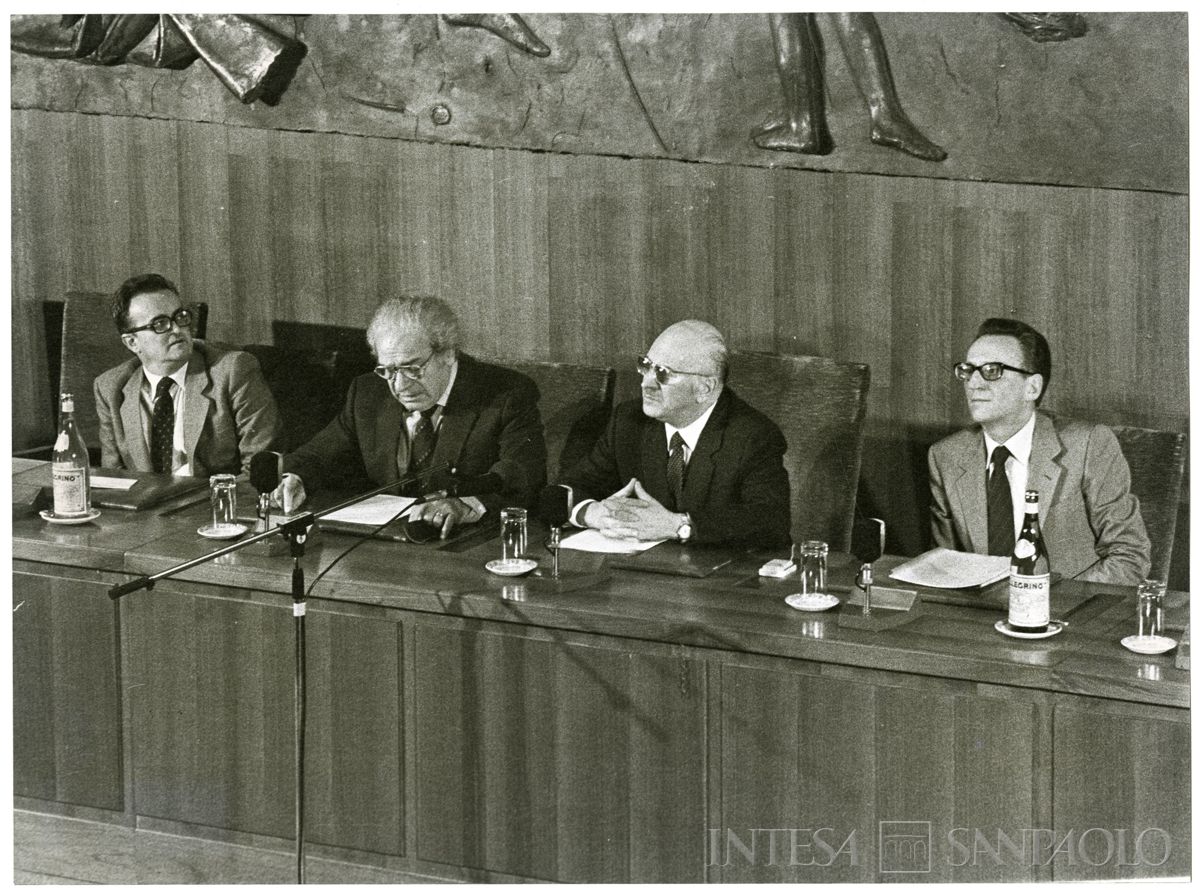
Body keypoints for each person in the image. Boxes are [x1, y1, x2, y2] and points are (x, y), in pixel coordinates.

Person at [273, 296, 546, 538]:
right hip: (386, 543)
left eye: (413, 368)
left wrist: (465, 505)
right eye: (388, 370)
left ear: (448, 354)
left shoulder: (505, 394)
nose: (400, 386)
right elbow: (319, 453)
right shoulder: (368, 392)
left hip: (466, 545)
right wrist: (297, 477)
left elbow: (523, 474)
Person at [928, 317, 1150, 585]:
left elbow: (1129, 558)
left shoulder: (1089, 445)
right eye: (967, 370)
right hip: (982, 617)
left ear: (1032, 387)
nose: (973, 383)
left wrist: (1037, 603)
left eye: (991, 370)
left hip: (1071, 615)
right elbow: (948, 567)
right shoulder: (946, 456)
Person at [560, 319, 790, 548]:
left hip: (717, 576)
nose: (646, 383)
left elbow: (770, 522)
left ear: (705, 388)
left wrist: (678, 526)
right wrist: (593, 513)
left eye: (663, 373)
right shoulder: (629, 421)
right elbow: (566, 489)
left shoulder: (752, 435)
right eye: (646, 365)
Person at [94, 273, 281, 478]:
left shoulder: (232, 370)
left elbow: (260, 469)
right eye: (160, 323)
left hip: (216, 503)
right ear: (132, 342)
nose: (177, 329)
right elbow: (114, 479)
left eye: (180, 317)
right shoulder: (110, 388)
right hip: (146, 507)